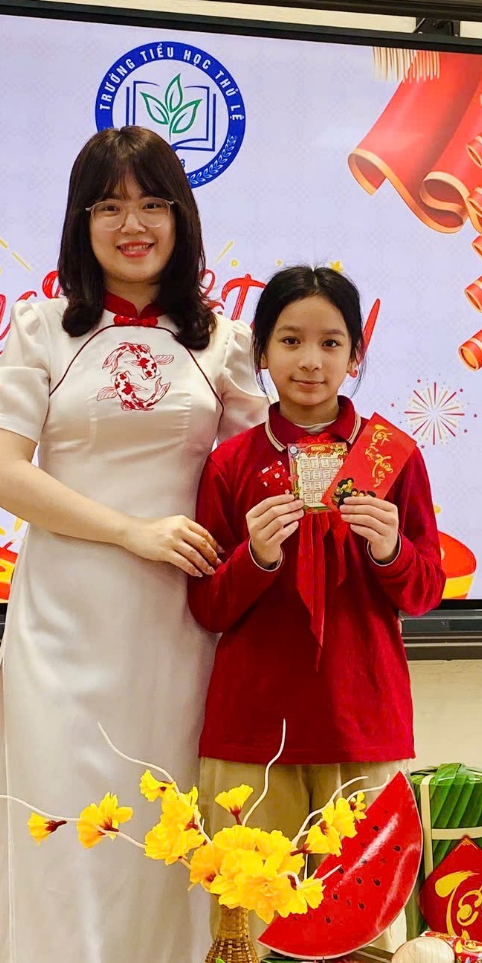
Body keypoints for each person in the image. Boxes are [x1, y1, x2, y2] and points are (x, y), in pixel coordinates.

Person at [0, 128, 266, 963]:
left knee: (172, 829)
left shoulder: (226, 341)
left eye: (153, 204)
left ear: (181, 219)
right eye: (109, 205)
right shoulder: (40, 329)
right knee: (65, 829)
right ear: (81, 221)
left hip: (180, 628)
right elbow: (0, 473)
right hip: (65, 625)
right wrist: (129, 531)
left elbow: (254, 474)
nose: (132, 224)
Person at [189, 265, 444, 855]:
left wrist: (390, 551)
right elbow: (206, 607)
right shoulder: (231, 463)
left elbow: (426, 591)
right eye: (290, 340)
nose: (310, 361)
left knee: (365, 913)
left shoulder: (390, 455)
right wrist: (256, 558)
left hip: (363, 725)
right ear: (261, 351)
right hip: (251, 732)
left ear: (355, 355)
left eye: (331, 343)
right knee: (250, 909)